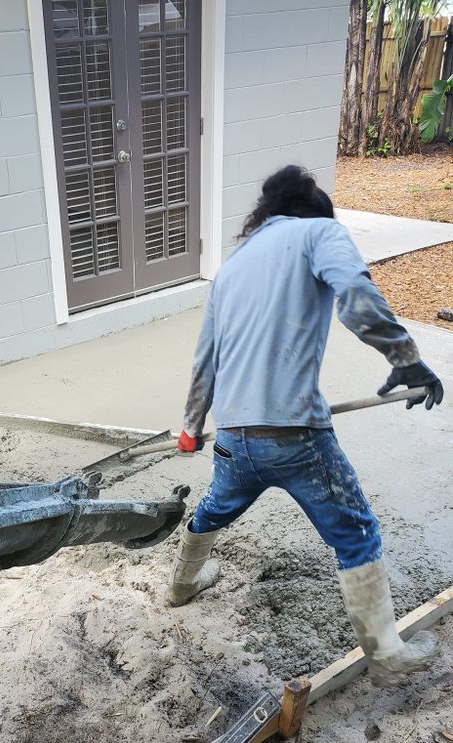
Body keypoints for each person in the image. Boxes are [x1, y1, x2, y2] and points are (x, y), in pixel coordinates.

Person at [166, 165, 444, 688]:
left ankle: (180, 586)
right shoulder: (321, 232)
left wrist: (189, 426)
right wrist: (404, 357)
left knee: (214, 509)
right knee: (357, 532)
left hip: (233, 438)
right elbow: (357, 299)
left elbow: (205, 358)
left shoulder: (231, 267)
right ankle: (386, 654)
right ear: (313, 210)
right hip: (296, 437)